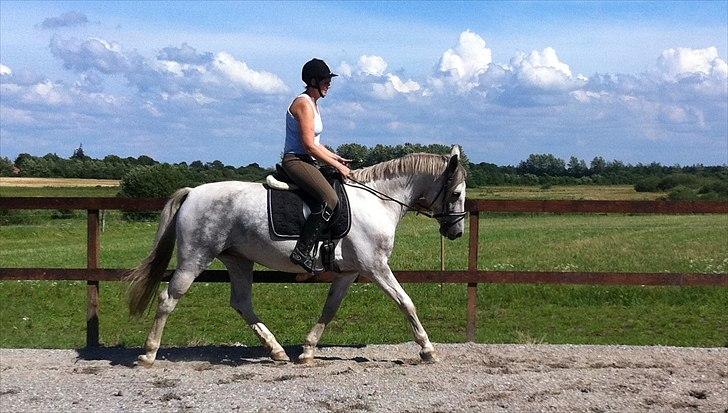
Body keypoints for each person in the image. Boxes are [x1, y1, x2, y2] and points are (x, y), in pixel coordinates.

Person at [282, 58, 351, 273]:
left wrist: (336, 158)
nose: (328, 84)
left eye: (328, 80)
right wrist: (337, 166)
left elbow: (317, 145)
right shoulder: (303, 103)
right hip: (295, 160)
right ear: (313, 81)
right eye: (325, 80)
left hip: (307, 160)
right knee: (330, 199)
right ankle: (302, 251)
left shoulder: (314, 104)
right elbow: (309, 146)